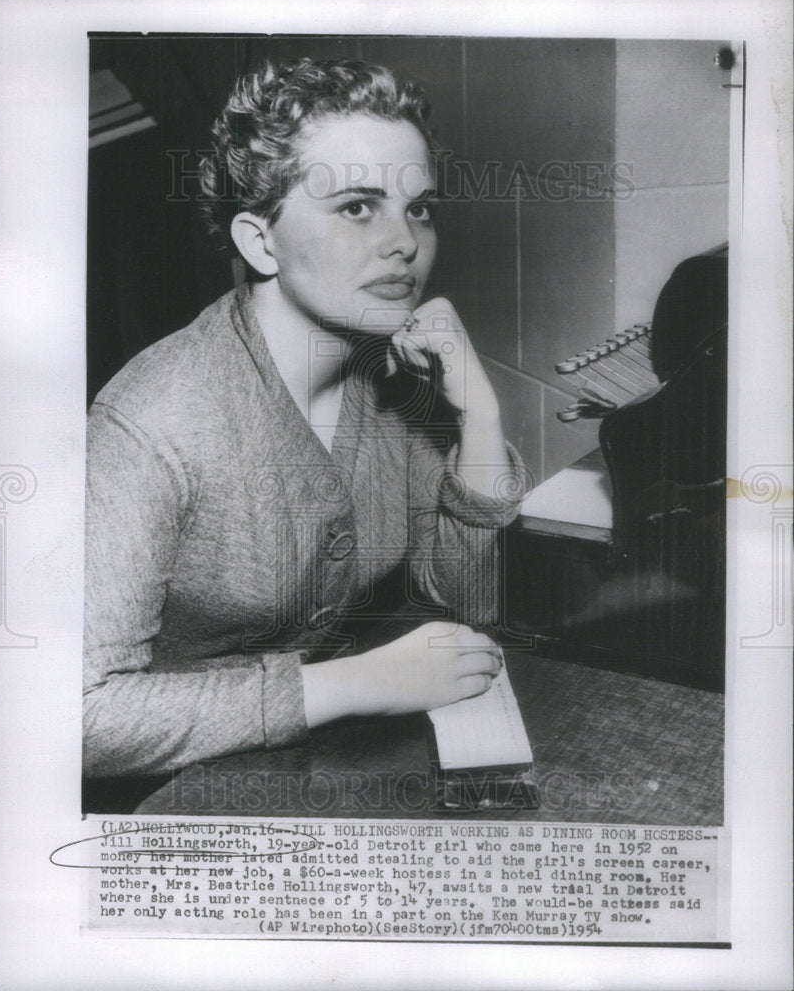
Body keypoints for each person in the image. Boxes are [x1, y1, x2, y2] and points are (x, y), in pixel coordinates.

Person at [83, 58, 527, 780]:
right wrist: (354, 684)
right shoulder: (151, 424)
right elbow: (77, 719)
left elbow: (465, 608)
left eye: (417, 207)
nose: (404, 243)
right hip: (166, 801)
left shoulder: (386, 376)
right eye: (357, 206)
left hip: (310, 768)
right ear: (260, 242)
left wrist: (479, 416)